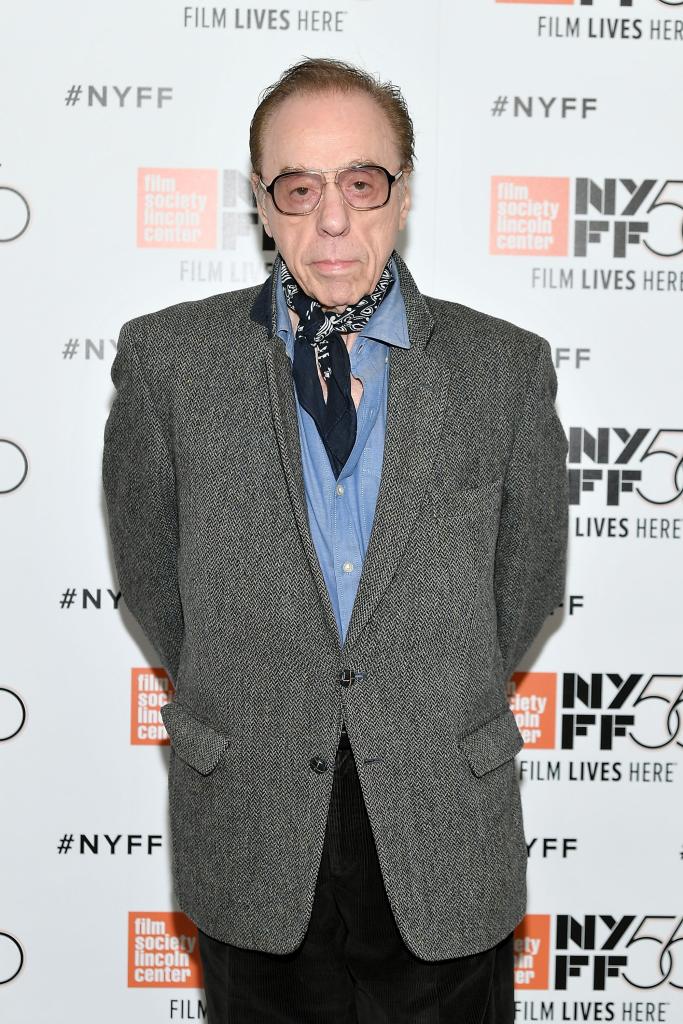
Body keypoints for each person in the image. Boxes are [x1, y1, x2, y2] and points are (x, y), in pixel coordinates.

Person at [102, 57, 569, 1023]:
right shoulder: (168, 363)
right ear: (262, 205)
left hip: (442, 812)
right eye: (299, 188)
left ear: (402, 192)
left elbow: (523, 590)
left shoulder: (503, 370)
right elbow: (153, 579)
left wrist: (424, 684)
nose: (332, 221)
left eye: (361, 184)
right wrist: (259, 678)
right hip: (253, 811)